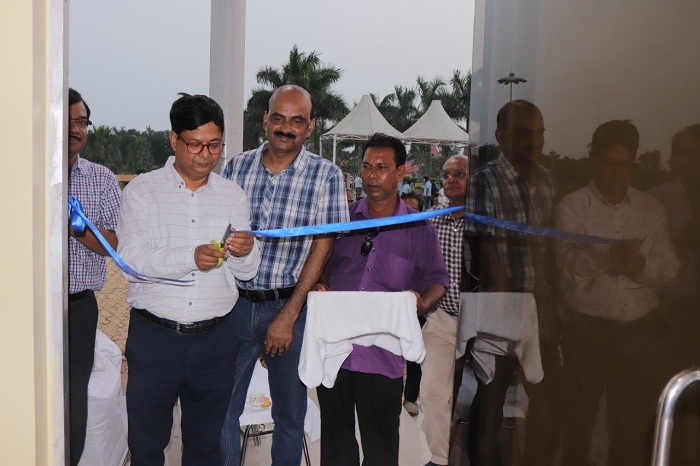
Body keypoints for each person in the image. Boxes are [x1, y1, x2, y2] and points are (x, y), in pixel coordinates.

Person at [117, 93, 261, 465]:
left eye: (215, 145)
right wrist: (189, 258)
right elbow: (130, 260)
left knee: (206, 445)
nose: (205, 154)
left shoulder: (232, 195)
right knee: (147, 444)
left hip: (216, 341)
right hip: (155, 339)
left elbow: (247, 273)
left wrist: (246, 252)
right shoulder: (142, 191)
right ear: (174, 139)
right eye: (195, 144)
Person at [221, 84, 349, 466]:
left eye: (296, 120)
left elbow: (322, 247)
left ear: (310, 126)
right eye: (278, 118)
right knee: (221, 409)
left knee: (291, 417)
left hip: (290, 308)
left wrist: (289, 315)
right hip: (233, 306)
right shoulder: (236, 167)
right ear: (265, 120)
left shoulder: (327, 175)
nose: (286, 128)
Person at [314, 132, 449, 466]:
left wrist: (420, 304)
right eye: (366, 166)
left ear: (400, 172)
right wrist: (320, 285)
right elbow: (321, 268)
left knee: (381, 449)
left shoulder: (418, 229)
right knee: (336, 445)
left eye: (381, 167)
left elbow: (437, 280)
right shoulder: (342, 219)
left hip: (383, 355)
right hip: (335, 351)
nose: (371, 175)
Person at [554, 120, 679, 466]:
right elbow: (566, 269)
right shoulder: (572, 206)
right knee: (579, 421)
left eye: (625, 165)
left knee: (631, 425)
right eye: (610, 163)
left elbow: (670, 265)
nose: (618, 173)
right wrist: (607, 255)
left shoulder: (650, 207)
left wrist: (641, 265)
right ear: (594, 159)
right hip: (587, 330)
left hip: (639, 330)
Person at [465, 100, 560, 466]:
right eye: (523, 134)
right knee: (491, 399)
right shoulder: (484, 180)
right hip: (501, 307)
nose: (534, 141)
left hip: (541, 305)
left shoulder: (548, 179)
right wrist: (510, 306)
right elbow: (483, 245)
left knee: (548, 399)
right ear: (501, 137)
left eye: (539, 134)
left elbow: (551, 245)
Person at [67, 88, 121, 466]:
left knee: (73, 400)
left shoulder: (101, 179)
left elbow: (115, 244)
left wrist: (75, 226)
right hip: (23, 306)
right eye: (68, 121)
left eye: (82, 121)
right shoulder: (20, 172)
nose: (76, 129)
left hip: (77, 309)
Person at [421, 155, 469, 466]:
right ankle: (441, 457)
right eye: (447, 174)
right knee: (432, 393)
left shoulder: (488, 220)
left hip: (480, 326)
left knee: (477, 400)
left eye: (460, 174)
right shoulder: (430, 220)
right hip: (441, 321)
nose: (451, 179)